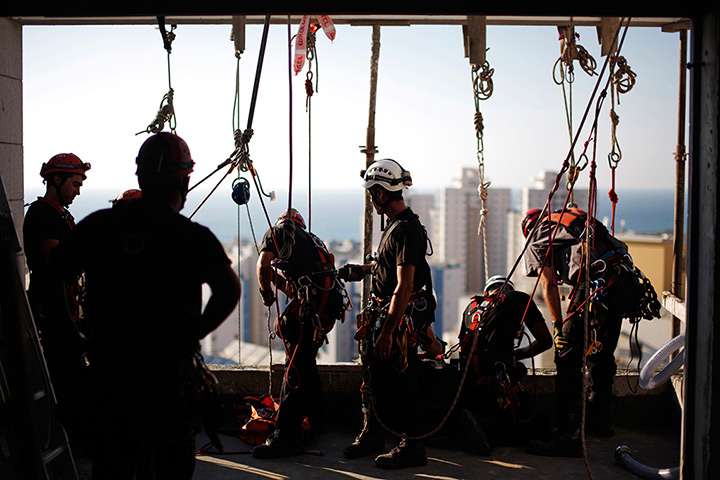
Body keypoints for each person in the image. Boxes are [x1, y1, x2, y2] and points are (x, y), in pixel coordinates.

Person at [46, 132, 241, 479]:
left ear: (141, 177)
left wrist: (71, 336)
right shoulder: (191, 236)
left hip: (110, 383)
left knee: (112, 468)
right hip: (167, 387)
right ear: (183, 181)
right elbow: (229, 290)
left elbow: (49, 277)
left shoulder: (99, 226)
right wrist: (190, 335)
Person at [520, 206, 660, 457]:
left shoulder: (538, 235)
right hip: (621, 283)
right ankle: (602, 421)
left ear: (528, 229)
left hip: (595, 285)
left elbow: (549, 283)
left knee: (567, 356)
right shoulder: (574, 220)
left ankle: (568, 435)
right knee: (603, 355)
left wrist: (558, 327)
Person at [342, 159, 436, 469]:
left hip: (396, 317)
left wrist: (386, 333)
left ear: (381, 194)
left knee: (402, 381)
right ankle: (373, 434)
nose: (371, 199)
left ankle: (412, 446)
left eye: (372, 193)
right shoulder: (396, 226)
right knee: (374, 376)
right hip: (387, 313)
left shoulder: (407, 230)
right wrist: (364, 270)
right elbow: (391, 269)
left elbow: (405, 285)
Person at [252, 208, 347, 459]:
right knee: (306, 364)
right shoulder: (314, 242)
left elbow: (262, 266)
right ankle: (317, 422)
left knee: (294, 370)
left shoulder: (280, 231)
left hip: (309, 313)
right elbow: (293, 282)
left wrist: (267, 296)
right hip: (326, 312)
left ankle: (286, 438)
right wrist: (281, 286)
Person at [455, 274, 553, 454]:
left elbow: (462, 350)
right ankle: (489, 431)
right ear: (508, 290)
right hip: (500, 384)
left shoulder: (471, 307)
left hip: (471, 387)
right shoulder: (519, 299)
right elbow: (546, 341)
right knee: (541, 425)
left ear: (487, 292)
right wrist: (519, 354)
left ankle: (478, 424)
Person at [23, 153, 91, 393]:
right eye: (75, 184)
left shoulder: (59, 214)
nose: (78, 191)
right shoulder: (44, 215)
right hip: (54, 314)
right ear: (57, 180)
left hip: (64, 313)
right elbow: (58, 267)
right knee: (66, 381)